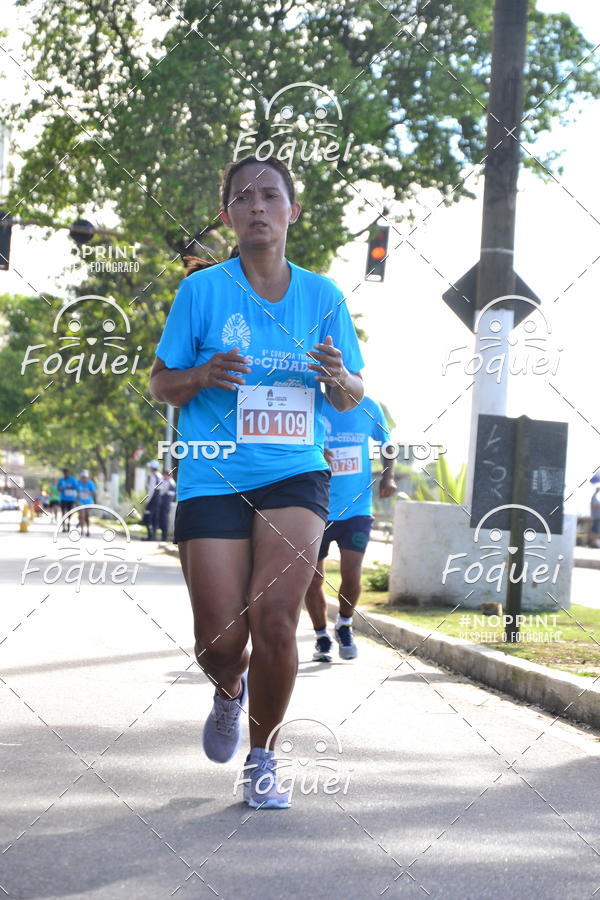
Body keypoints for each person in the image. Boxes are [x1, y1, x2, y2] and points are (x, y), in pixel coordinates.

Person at [150, 155, 364, 809]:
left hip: (295, 472)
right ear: (228, 215)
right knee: (220, 641)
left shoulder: (323, 297)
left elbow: (351, 394)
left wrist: (338, 378)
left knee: (274, 619)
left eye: (270, 195)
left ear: (292, 211)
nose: (258, 207)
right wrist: (202, 375)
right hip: (213, 472)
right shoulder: (201, 292)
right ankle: (227, 688)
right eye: (243, 198)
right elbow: (161, 383)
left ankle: (263, 757)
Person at [305, 396, 397, 662]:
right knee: (313, 579)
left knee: (352, 572)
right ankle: (321, 636)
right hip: (315, 506)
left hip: (357, 507)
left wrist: (388, 476)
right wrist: (314, 452)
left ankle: (344, 624)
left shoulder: (369, 407)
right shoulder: (312, 401)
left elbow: (387, 444)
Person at [157, 469, 176, 542]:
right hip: (167, 503)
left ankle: (164, 536)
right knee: (164, 519)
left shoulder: (168, 482)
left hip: (165, 503)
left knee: (164, 519)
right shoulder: (172, 482)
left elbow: (162, 491)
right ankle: (163, 535)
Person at [57, 468, 79, 532]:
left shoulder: (72, 479)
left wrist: (71, 487)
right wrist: (61, 489)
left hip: (71, 498)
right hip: (63, 498)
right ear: (63, 474)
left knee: (69, 512)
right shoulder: (61, 480)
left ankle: (68, 523)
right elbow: (58, 488)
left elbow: (76, 487)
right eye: (65, 473)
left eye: (67, 473)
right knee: (63, 512)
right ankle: (63, 526)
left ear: (69, 473)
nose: (66, 474)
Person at [144, 460, 162, 540]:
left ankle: (150, 536)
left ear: (151, 468)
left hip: (152, 499)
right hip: (158, 499)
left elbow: (151, 490)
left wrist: (147, 501)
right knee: (155, 517)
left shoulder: (152, 476)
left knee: (148, 517)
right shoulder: (160, 476)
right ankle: (154, 536)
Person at [76, 470, 96, 537]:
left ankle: (88, 530)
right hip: (80, 502)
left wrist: (88, 492)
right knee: (82, 515)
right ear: (81, 477)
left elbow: (94, 493)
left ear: (87, 477)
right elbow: (74, 490)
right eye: (83, 477)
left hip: (88, 502)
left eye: (85, 477)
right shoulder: (78, 483)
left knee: (87, 517)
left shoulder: (90, 483)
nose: (84, 478)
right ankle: (82, 530)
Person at [590, 484, 600, 548]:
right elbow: (593, 506)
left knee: (595, 530)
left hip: (597, 517)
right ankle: (593, 543)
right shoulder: (594, 497)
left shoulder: (595, 497)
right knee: (595, 531)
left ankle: (594, 543)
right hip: (596, 517)